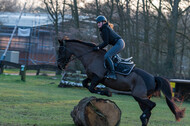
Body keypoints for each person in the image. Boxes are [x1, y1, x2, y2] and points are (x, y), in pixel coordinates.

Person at [93, 15, 125, 80]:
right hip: (119, 43)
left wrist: (98, 47)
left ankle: (113, 74)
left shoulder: (105, 29)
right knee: (109, 56)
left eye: (99, 22)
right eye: (97, 23)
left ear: (103, 22)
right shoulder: (104, 29)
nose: (98, 24)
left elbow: (106, 42)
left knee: (107, 56)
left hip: (119, 43)